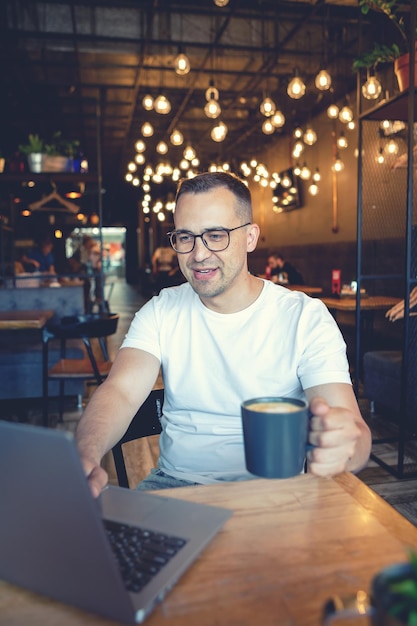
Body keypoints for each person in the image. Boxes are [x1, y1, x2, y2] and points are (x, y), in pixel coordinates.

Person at [76, 171, 371, 498]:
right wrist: (85, 453)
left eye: (216, 235)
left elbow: (353, 432)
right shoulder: (162, 310)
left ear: (250, 237)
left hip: (277, 488)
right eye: (185, 237)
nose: (199, 254)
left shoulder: (304, 317)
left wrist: (344, 445)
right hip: (177, 483)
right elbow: (120, 391)